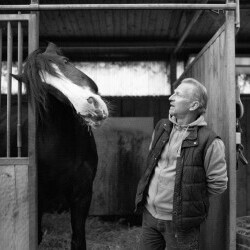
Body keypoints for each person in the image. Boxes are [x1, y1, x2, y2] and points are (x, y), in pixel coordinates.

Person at [135, 78, 228, 250]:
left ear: (193, 106)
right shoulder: (162, 127)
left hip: (180, 225)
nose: (171, 97)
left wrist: (188, 199)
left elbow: (218, 184)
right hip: (150, 216)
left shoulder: (210, 141)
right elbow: (152, 164)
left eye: (177, 94)